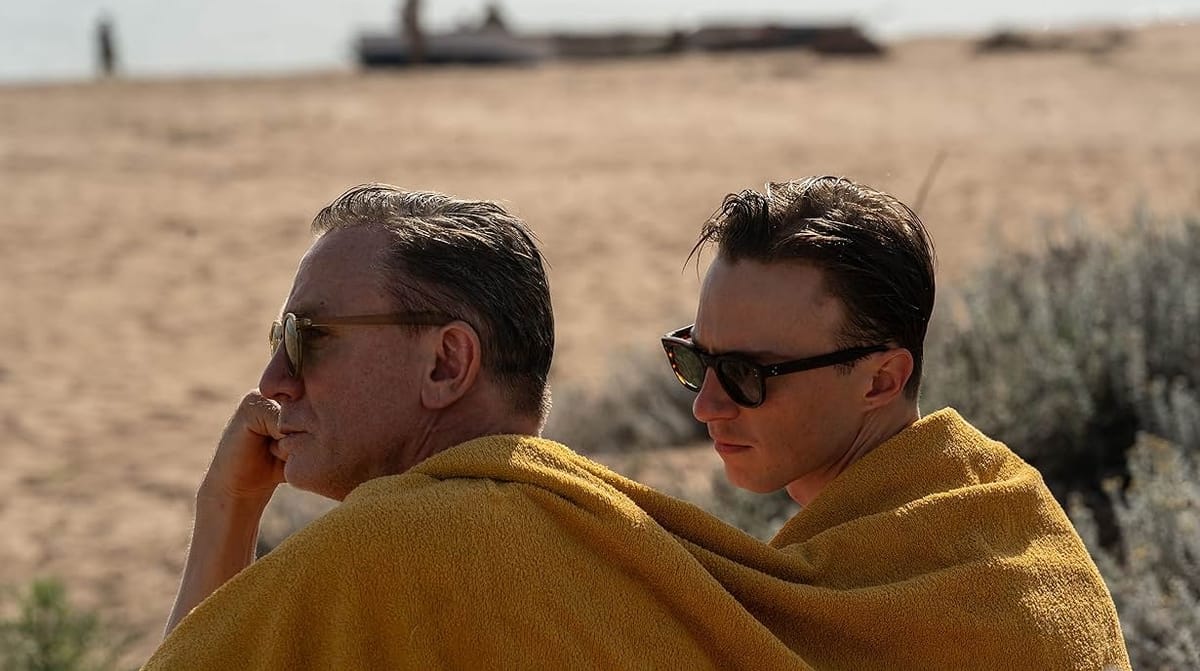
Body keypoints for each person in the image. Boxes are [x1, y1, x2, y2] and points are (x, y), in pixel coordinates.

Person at [659, 175, 1131, 669]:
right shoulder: (994, 520)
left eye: (744, 374)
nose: (705, 406)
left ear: (880, 382)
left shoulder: (989, 593)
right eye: (696, 360)